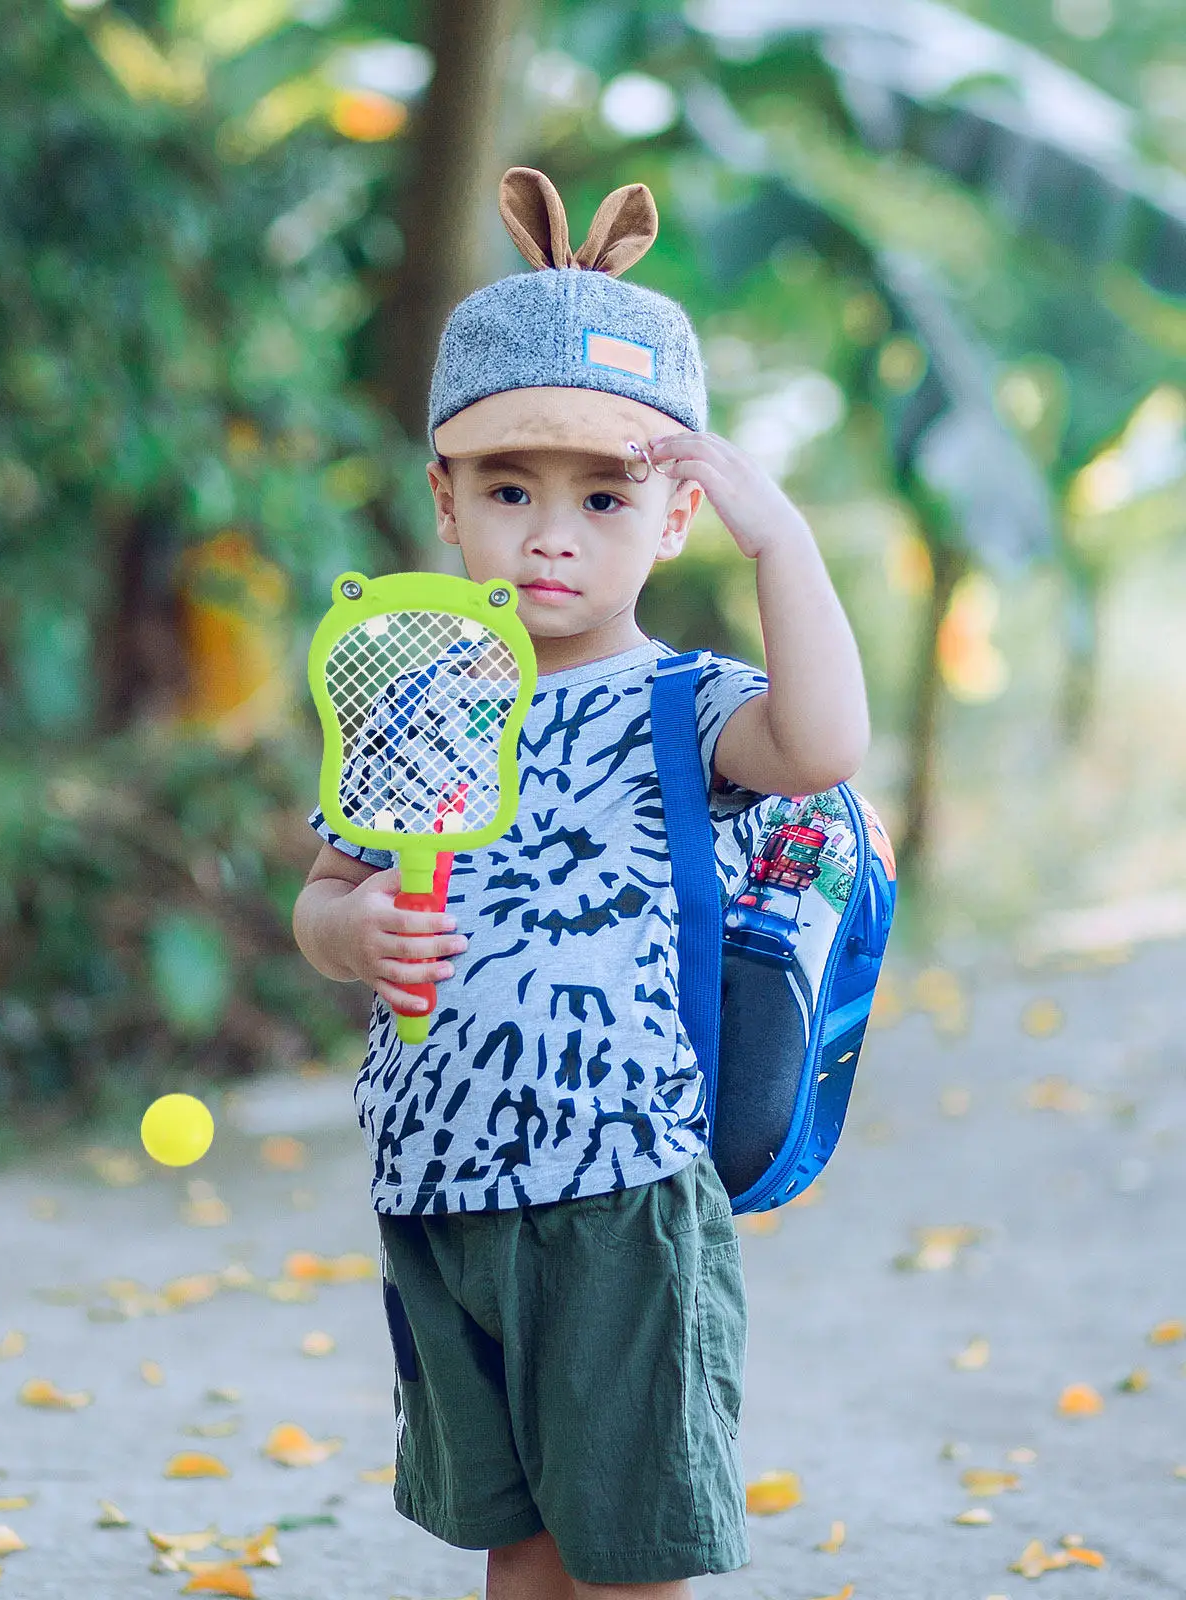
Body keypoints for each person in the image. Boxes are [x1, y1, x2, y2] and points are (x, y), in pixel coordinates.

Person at [291, 166, 869, 1600]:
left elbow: (824, 744)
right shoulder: (415, 700)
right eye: (508, 488)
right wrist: (353, 932)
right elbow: (319, 896)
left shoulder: (691, 706)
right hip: (440, 1186)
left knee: (628, 1551)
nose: (552, 534)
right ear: (445, 500)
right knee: (521, 1544)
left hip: (619, 1190)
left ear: (672, 516)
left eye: (605, 495)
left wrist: (780, 536)